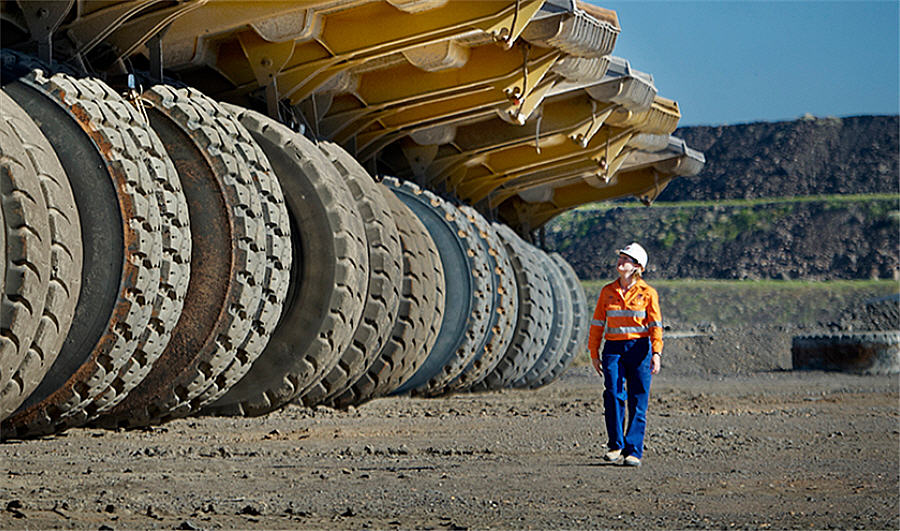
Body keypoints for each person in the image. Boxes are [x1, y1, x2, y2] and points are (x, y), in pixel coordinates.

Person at [588, 242, 662, 467]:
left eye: (626, 259)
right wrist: (593, 352)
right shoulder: (607, 291)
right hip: (613, 350)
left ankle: (633, 451)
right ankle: (615, 445)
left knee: (638, 399)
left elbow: (655, 325)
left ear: (637, 266)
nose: (621, 261)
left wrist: (656, 352)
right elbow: (598, 324)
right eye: (620, 257)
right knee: (613, 394)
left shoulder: (648, 293)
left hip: (639, 349)